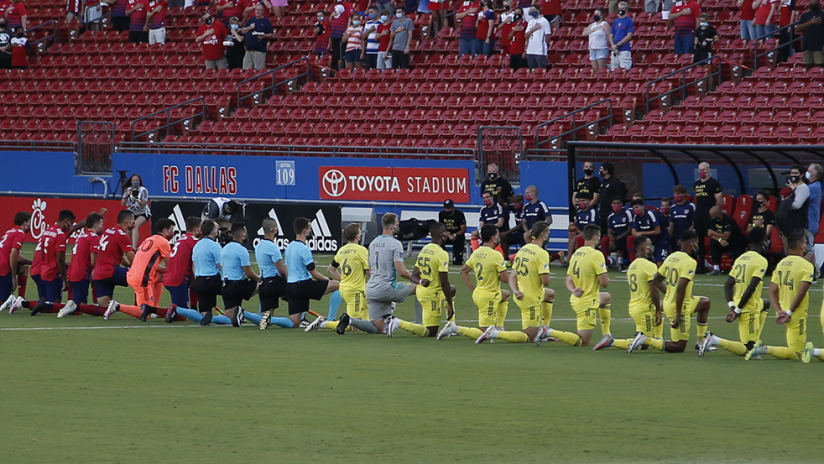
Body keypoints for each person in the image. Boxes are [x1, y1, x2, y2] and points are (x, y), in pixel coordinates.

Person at [629, 230, 712, 353]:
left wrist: (669, 293)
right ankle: (646, 340)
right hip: (679, 306)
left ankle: (701, 342)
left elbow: (656, 280)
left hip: (675, 301)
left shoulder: (671, 257)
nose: (697, 246)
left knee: (705, 303)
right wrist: (678, 313)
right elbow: (681, 288)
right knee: (678, 346)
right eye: (696, 243)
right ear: (692, 243)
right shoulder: (690, 262)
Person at [335, 213, 417, 335]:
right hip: (386, 287)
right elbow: (402, 271)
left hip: (371, 289)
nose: (398, 226)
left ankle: (350, 320)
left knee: (377, 328)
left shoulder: (373, 243)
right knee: (422, 288)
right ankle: (422, 323)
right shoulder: (395, 244)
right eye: (397, 224)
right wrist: (417, 278)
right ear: (392, 227)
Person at [746, 231, 820, 362]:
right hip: (796, 313)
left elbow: (772, 290)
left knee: (795, 349)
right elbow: (802, 292)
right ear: (801, 246)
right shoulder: (806, 265)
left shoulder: (781, 264)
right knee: (798, 353)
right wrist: (790, 311)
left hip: (782, 311)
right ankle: (765, 349)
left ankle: (763, 348)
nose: (806, 244)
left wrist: (779, 310)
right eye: (804, 242)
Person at [698, 228, 770, 356]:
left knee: (766, 303)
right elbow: (751, 288)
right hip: (748, 307)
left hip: (739, 302)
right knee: (750, 350)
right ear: (762, 241)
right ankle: (715, 340)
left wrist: (732, 306)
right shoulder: (761, 261)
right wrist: (738, 310)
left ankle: (754, 337)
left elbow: (728, 285)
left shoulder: (741, 258)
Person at [511, 222, 582, 346]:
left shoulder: (524, 249)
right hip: (531, 300)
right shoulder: (541, 253)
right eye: (548, 232)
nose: (549, 234)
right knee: (530, 338)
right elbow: (546, 281)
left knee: (549, 294)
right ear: (543, 234)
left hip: (519, 293)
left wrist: (515, 291)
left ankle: (544, 327)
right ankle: (495, 333)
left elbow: (512, 276)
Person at [437, 224, 511, 341]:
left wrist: (472, 288)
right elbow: (505, 279)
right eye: (497, 235)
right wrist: (510, 273)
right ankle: (455, 328)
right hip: (489, 297)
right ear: (492, 237)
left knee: (505, 295)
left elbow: (463, 271)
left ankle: (500, 326)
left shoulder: (476, 252)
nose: (498, 238)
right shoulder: (496, 255)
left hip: (479, 294)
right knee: (485, 333)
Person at [386, 222, 457, 337]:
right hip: (431, 295)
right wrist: (449, 304)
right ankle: (398, 323)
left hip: (423, 290)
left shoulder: (425, 249)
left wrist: (420, 282)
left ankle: (451, 324)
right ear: (443, 234)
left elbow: (414, 275)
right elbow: (444, 282)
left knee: (452, 289)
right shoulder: (442, 254)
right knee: (431, 332)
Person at [593, 235, 663, 351]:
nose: (652, 248)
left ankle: (658, 338)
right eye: (649, 245)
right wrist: (658, 311)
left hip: (634, 306)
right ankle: (611, 341)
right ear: (644, 248)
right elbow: (653, 289)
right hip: (644, 309)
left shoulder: (632, 266)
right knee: (644, 342)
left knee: (644, 341)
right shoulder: (650, 266)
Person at [306, 223, 368, 332]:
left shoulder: (342, 250)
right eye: (359, 232)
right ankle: (323, 324)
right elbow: (368, 270)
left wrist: (343, 280)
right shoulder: (361, 250)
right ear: (357, 236)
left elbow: (331, 269)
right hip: (355, 290)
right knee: (355, 324)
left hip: (345, 288)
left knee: (365, 317)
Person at [285, 217, 340, 328]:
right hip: (303, 286)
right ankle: (330, 318)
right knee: (339, 285)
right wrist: (328, 280)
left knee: (294, 323)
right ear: (304, 230)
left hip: (291, 286)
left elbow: (286, 268)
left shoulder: (289, 246)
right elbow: (314, 273)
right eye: (309, 228)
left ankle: (269, 319)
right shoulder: (304, 249)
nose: (310, 230)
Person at [177, 219, 233, 326]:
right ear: (213, 231)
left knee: (205, 309)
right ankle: (231, 316)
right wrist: (227, 278)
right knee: (231, 293)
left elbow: (194, 265)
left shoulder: (197, 245)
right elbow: (220, 265)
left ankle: (204, 317)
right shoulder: (214, 246)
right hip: (212, 279)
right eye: (217, 229)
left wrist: (197, 278)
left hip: (200, 280)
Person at [566, 224, 611, 346]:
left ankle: (607, 335)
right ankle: (550, 332)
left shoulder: (576, 253)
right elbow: (604, 283)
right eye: (599, 236)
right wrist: (604, 276)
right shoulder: (596, 255)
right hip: (587, 303)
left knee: (606, 297)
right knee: (582, 342)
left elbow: (568, 279)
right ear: (596, 237)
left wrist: (573, 290)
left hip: (576, 297)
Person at [126, 218, 175, 321]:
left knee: (160, 277)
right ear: (165, 230)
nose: (172, 233)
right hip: (142, 279)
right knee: (144, 312)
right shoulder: (164, 242)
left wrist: (164, 270)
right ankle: (117, 306)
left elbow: (152, 264)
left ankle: (154, 308)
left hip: (132, 274)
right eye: (171, 229)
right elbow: (170, 266)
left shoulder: (149, 239)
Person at [28, 210, 75, 316]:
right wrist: (64, 279)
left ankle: (24, 303)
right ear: (66, 221)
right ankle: (23, 303)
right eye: (70, 223)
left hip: (44, 271)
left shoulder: (47, 231)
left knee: (45, 302)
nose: (70, 227)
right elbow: (60, 260)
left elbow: (43, 255)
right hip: (53, 274)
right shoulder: (60, 235)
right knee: (54, 305)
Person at [57, 213, 104, 318]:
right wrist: (95, 271)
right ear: (96, 225)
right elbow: (93, 261)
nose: (103, 227)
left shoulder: (81, 236)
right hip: (81, 274)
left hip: (71, 272)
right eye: (101, 224)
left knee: (74, 306)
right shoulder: (94, 238)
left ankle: (66, 306)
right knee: (78, 307)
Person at [254, 218, 293, 330]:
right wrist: (288, 282)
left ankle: (247, 314)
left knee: (267, 316)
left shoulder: (259, 245)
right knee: (298, 296)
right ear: (274, 229)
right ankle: (303, 320)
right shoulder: (273, 247)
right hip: (274, 282)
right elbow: (281, 270)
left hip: (263, 283)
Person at [96, 210, 136, 318]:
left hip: (99, 274)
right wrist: (137, 269)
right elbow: (131, 257)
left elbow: (118, 256)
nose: (134, 222)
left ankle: (76, 306)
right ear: (128, 221)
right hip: (110, 271)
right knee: (141, 279)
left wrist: (127, 265)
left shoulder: (108, 230)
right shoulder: (123, 235)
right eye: (133, 219)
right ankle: (139, 308)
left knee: (104, 306)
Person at [218, 223, 260, 327]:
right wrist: (259, 279)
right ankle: (260, 316)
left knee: (229, 316)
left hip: (225, 285)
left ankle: (210, 317)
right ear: (242, 234)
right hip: (237, 285)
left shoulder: (225, 248)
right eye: (245, 232)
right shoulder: (242, 250)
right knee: (265, 285)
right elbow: (248, 272)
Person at [163, 216, 201, 309]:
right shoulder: (194, 241)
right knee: (181, 314)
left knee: (181, 308)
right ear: (196, 229)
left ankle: (193, 308)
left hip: (170, 277)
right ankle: (152, 309)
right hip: (179, 280)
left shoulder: (181, 238)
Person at [693, 162, 722, 272]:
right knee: (699, 241)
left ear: (708, 170)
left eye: (704, 169)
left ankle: (716, 266)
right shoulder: (696, 184)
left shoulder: (714, 183)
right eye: (700, 169)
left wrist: (713, 213)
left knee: (713, 239)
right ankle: (701, 266)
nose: (702, 171)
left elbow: (719, 201)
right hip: (699, 215)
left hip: (709, 216)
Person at [0, 212, 31, 308]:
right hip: (3, 269)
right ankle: (20, 299)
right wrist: (14, 278)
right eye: (29, 222)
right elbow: (14, 256)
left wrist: (32, 262)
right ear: (25, 223)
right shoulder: (20, 234)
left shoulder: (10, 231)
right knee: (4, 302)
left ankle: (21, 297)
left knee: (24, 268)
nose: (30, 225)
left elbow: (17, 256)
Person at [707, 205, 745, 275]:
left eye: (714, 216)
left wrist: (714, 233)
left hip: (735, 242)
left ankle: (737, 269)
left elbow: (726, 236)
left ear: (719, 214)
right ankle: (716, 269)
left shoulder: (728, 219)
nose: (712, 218)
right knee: (713, 243)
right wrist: (720, 240)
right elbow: (709, 234)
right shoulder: (713, 220)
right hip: (723, 242)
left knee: (737, 247)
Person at [631, 198, 666, 266]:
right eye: (634, 208)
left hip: (659, 241)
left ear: (643, 206)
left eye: (637, 207)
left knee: (659, 265)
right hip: (647, 242)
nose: (635, 209)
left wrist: (642, 233)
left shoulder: (651, 214)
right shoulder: (636, 216)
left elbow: (657, 231)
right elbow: (633, 232)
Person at [121, 174, 150, 249]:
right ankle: (128, 247)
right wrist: (125, 196)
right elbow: (122, 204)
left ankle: (134, 248)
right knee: (128, 227)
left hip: (143, 212)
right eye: (133, 180)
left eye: (137, 180)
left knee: (135, 226)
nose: (135, 182)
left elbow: (143, 205)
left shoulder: (143, 190)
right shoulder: (128, 190)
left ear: (140, 182)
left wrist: (137, 198)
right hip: (132, 212)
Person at [241, 5, 273, 70]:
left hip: (259, 50)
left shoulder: (266, 21)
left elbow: (271, 34)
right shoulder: (251, 20)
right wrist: (250, 27)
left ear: (263, 11)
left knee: (259, 71)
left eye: (259, 10)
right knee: (246, 70)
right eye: (256, 10)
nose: (257, 11)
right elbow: (243, 31)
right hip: (248, 50)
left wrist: (263, 36)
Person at [597, 162, 626, 234]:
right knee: (602, 232)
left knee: (610, 232)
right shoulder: (602, 182)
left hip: (611, 212)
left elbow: (620, 197)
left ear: (606, 171)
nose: (599, 171)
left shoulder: (615, 182)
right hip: (602, 211)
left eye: (601, 169)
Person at [606, 198, 632, 270]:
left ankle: (622, 262)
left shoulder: (627, 213)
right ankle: (610, 261)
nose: (616, 205)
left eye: (618, 203)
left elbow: (629, 229)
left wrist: (618, 238)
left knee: (624, 240)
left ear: (622, 205)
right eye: (614, 203)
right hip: (615, 236)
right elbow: (609, 230)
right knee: (605, 240)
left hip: (625, 235)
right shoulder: (611, 216)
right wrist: (611, 239)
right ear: (611, 205)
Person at [797, 0, 824, 68]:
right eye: (811, 2)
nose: (812, 3)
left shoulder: (822, 15)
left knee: (819, 68)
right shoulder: (805, 15)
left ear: (818, 3)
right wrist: (810, 22)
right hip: (807, 46)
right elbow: (798, 28)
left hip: (819, 47)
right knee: (808, 68)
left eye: (814, 2)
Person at [439, 199, 467, 265]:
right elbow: (441, 227)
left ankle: (457, 258)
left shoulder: (459, 214)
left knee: (457, 262)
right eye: (446, 208)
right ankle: (443, 257)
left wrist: (454, 234)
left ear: (452, 207)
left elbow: (463, 229)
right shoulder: (441, 214)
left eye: (449, 208)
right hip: (447, 235)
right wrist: (447, 234)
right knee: (439, 239)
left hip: (458, 236)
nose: (447, 210)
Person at [569, 192, 598, 256]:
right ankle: (569, 260)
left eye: (583, 201)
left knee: (576, 239)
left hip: (592, 234)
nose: (581, 203)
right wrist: (580, 233)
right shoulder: (579, 212)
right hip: (582, 233)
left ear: (589, 201)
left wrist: (584, 234)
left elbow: (592, 227)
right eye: (579, 201)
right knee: (574, 238)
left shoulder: (592, 212)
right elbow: (576, 227)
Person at [669, 184, 695, 250]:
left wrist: (684, 238)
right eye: (675, 193)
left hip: (688, 239)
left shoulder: (691, 206)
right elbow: (671, 225)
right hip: (676, 240)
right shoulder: (673, 208)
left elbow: (694, 224)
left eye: (678, 193)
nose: (676, 195)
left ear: (684, 194)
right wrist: (669, 240)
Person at [805, 163, 822, 265]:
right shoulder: (813, 186)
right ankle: (815, 272)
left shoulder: (813, 187)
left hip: (810, 222)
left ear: (815, 174)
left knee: (808, 248)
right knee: (809, 247)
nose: (807, 173)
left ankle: (811, 272)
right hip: (811, 222)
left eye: (809, 171)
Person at [524, 4, 550, 69]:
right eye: (531, 10)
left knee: (540, 70)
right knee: (532, 70)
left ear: (538, 10)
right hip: (530, 50)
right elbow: (526, 35)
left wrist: (543, 44)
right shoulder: (530, 21)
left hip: (540, 51)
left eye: (534, 10)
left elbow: (548, 35)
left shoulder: (544, 21)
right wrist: (533, 29)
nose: (532, 11)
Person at [610, 2, 633, 70]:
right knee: (614, 70)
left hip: (624, 50)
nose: (620, 10)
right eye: (619, 8)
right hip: (615, 50)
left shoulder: (629, 21)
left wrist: (617, 45)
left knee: (624, 69)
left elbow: (629, 36)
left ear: (626, 10)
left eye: (622, 9)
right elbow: (611, 35)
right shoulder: (615, 21)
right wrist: (613, 46)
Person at [329, 4, 348, 70]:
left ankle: (342, 69)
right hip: (334, 37)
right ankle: (334, 70)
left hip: (341, 38)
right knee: (334, 55)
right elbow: (329, 22)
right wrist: (331, 16)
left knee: (341, 54)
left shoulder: (344, 16)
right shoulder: (334, 16)